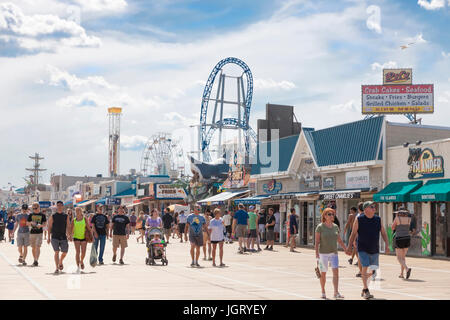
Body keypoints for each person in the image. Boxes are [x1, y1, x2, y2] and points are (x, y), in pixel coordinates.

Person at [346, 201, 390, 300]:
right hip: (362, 247)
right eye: (372, 207)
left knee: (373, 271)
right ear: (365, 209)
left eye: (374, 207)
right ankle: (366, 289)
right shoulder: (359, 219)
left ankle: (364, 287)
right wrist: (349, 247)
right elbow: (353, 234)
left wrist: (387, 245)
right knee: (365, 266)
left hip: (374, 248)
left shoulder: (378, 219)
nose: (374, 208)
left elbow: (383, 232)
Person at [315, 208, 346, 299]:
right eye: (329, 214)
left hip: (334, 253)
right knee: (323, 273)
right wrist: (317, 255)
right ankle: (323, 291)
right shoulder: (320, 227)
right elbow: (317, 242)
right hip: (323, 254)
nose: (332, 216)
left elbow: (339, 239)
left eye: (333, 214)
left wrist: (345, 249)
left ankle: (336, 292)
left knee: (336, 273)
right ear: (324, 216)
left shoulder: (335, 226)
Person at [47, 201, 71, 274]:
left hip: (63, 236)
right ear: (56, 207)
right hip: (54, 236)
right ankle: (57, 268)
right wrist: (48, 237)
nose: (59, 206)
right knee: (56, 252)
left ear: (63, 206)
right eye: (58, 205)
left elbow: (68, 226)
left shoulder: (66, 216)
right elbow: (49, 227)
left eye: (61, 205)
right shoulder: (53, 216)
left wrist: (69, 235)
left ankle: (60, 261)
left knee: (65, 252)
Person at [392, 208, 412, 279]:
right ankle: (401, 274)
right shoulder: (409, 219)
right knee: (403, 257)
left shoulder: (397, 218)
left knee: (399, 258)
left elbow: (392, 227)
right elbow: (408, 227)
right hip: (407, 238)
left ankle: (407, 269)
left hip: (399, 238)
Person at [27, 202, 47, 267]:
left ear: (39, 208)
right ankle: (34, 259)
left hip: (39, 233)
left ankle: (36, 260)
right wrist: (31, 223)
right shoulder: (30, 215)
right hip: (32, 233)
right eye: (33, 208)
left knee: (38, 246)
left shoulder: (42, 215)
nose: (35, 209)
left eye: (36, 208)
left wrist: (40, 226)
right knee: (33, 247)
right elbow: (27, 223)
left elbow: (45, 224)